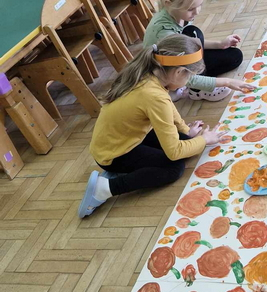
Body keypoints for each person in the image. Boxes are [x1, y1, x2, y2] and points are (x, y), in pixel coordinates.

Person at [78, 35, 228, 219]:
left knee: (186, 141)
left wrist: (186, 130)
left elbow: (168, 108)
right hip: (113, 153)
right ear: (179, 72)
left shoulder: (149, 72)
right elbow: (174, 152)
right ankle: (105, 188)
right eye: (190, 76)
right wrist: (204, 140)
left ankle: (121, 172)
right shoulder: (154, 96)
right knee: (174, 168)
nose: (190, 80)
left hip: (121, 138)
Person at [143, 0, 254, 101]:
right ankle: (195, 90)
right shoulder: (164, 33)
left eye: (199, 5)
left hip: (182, 60)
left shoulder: (179, 14)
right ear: (169, 4)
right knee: (192, 33)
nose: (197, 12)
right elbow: (185, 75)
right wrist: (227, 82)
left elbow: (193, 43)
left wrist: (220, 44)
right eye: (191, 9)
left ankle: (198, 83)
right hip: (168, 74)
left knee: (234, 56)